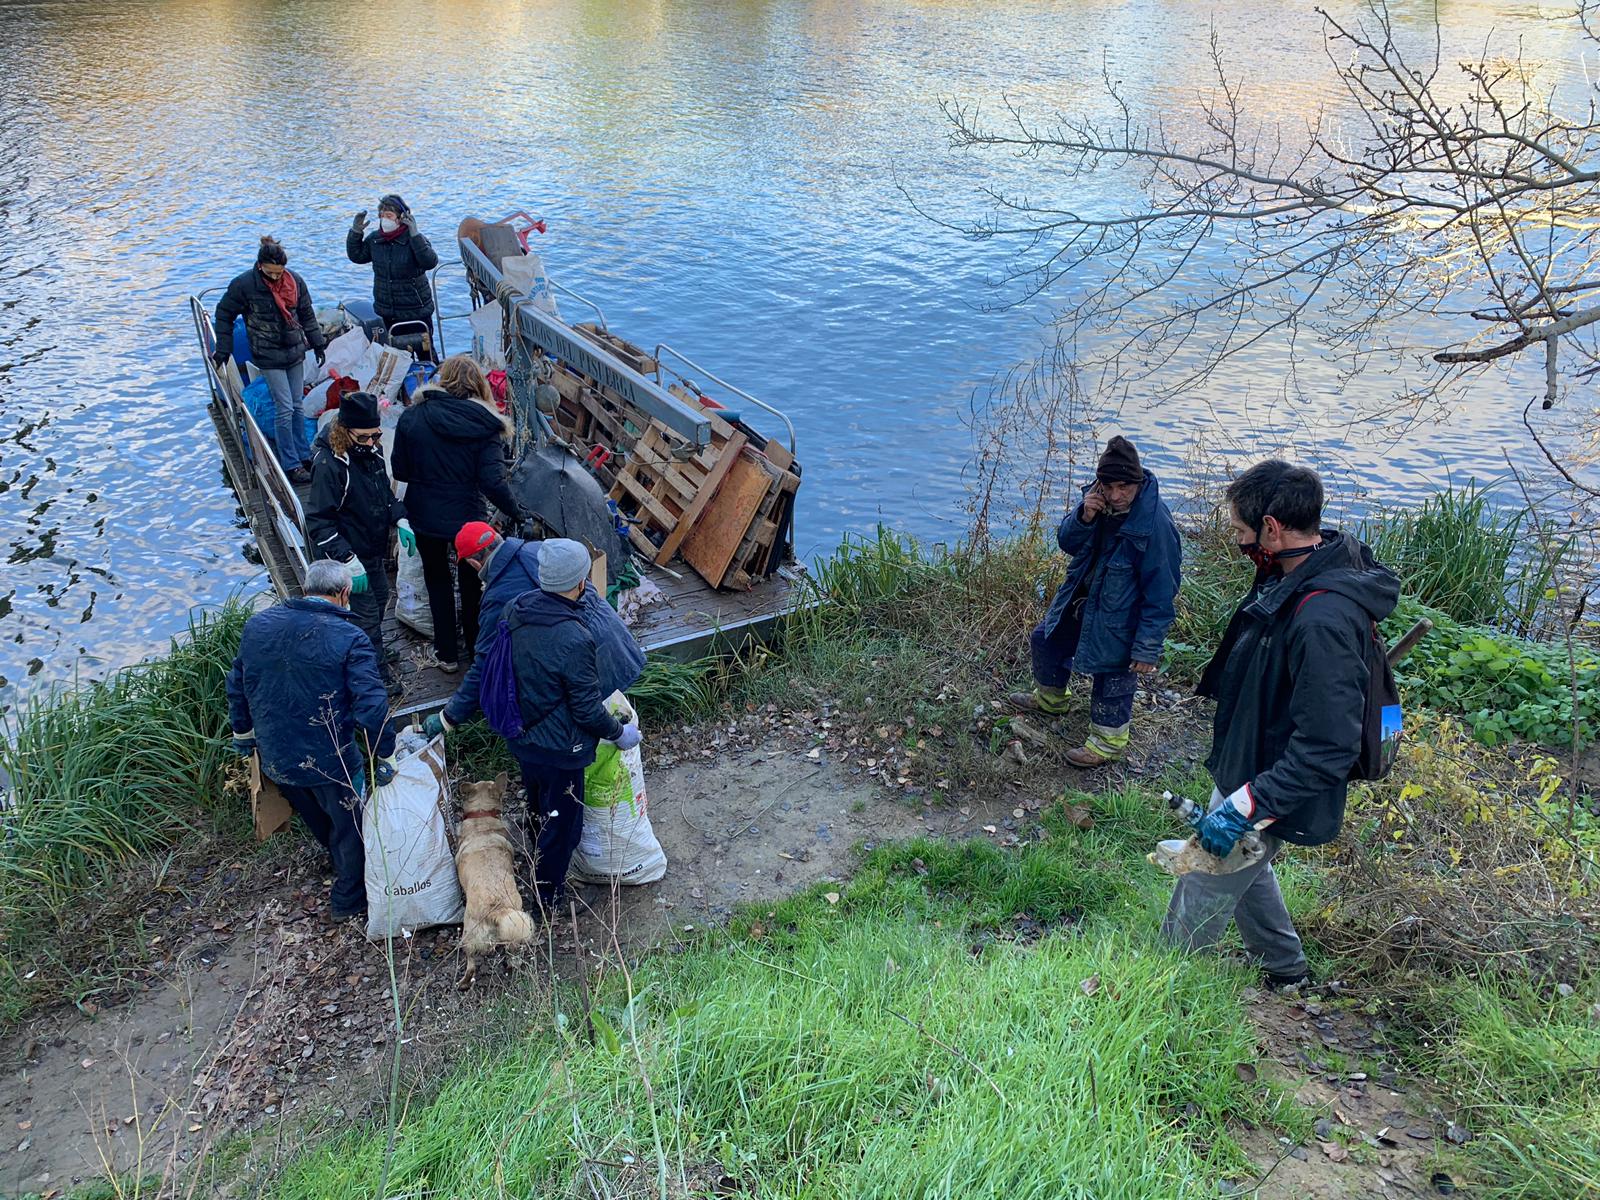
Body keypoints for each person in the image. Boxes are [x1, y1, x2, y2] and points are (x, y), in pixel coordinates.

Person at [1162, 460, 1398, 989]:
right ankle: (1285, 970)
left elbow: (1329, 744)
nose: (1239, 542)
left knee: (1208, 869)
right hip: (1251, 763)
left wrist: (1248, 803)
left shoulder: (1321, 619)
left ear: (1272, 528)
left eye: (1242, 532)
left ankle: (1158, 990)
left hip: (1271, 781)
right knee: (1250, 864)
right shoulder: (1296, 573)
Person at [226, 558, 397, 921]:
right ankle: (349, 899)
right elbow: (372, 704)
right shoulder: (350, 637)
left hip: (277, 754)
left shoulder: (258, 625)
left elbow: (238, 683)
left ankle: (336, 858)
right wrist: (384, 753)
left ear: (306, 589)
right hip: (330, 758)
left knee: (317, 816)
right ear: (344, 592)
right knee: (351, 828)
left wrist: (244, 734)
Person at [1009, 436, 1182, 767]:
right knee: (1046, 639)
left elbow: (1162, 592)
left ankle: (1108, 742)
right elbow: (1066, 542)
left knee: (1113, 673)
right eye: (1108, 485)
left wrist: (1146, 647)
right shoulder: (1096, 501)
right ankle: (1051, 699)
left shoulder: (1156, 524)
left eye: (1123, 487)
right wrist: (1083, 517)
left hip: (1122, 615)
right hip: (1081, 599)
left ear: (1137, 481)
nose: (1115, 495)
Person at [495, 539, 640, 912]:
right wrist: (618, 733)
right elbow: (587, 710)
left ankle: (534, 861)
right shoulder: (575, 637)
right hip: (562, 749)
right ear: (579, 583)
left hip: (523, 737)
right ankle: (549, 899)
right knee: (563, 827)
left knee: (538, 805)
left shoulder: (516, 609)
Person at [422, 523, 645, 737]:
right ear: (498, 536)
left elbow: (485, 665)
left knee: (585, 726)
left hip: (585, 663)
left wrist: (447, 718)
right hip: (616, 643)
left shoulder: (499, 598)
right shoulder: (540, 550)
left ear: (474, 564)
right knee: (600, 714)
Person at [390, 355, 526, 672]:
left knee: (436, 580)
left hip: (424, 513)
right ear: (479, 385)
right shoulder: (486, 425)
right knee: (472, 582)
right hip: (469, 517)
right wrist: (517, 513)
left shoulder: (413, 417)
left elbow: (400, 470)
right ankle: (477, 649)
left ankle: (447, 655)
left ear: (442, 380)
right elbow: (493, 483)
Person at [305, 391, 416, 676]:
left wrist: (400, 518)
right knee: (364, 615)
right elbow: (319, 522)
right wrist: (348, 559)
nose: (372, 442)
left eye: (375, 435)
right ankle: (374, 671)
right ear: (346, 431)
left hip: (370, 547)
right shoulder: (329, 466)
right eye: (364, 437)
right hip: (347, 555)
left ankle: (369, 651)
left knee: (380, 598)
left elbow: (382, 494)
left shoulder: (370, 451)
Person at [212, 236, 328, 485]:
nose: (276, 278)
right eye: (271, 273)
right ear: (260, 266)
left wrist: (317, 342)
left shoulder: (295, 281)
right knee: (284, 407)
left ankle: (304, 453)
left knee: (298, 404)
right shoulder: (244, 285)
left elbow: (306, 313)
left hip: (295, 350)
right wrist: (224, 347)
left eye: (280, 272)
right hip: (268, 354)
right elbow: (224, 314)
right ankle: (291, 463)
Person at [347, 194, 439, 354]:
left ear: (401, 218)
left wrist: (415, 235)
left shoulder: (415, 238)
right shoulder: (375, 239)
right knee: (396, 356)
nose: (384, 220)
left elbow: (430, 262)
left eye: (389, 216)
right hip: (388, 310)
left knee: (426, 353)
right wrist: (356, 232)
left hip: (416, 309)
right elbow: (357, 256)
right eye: (381, 216)